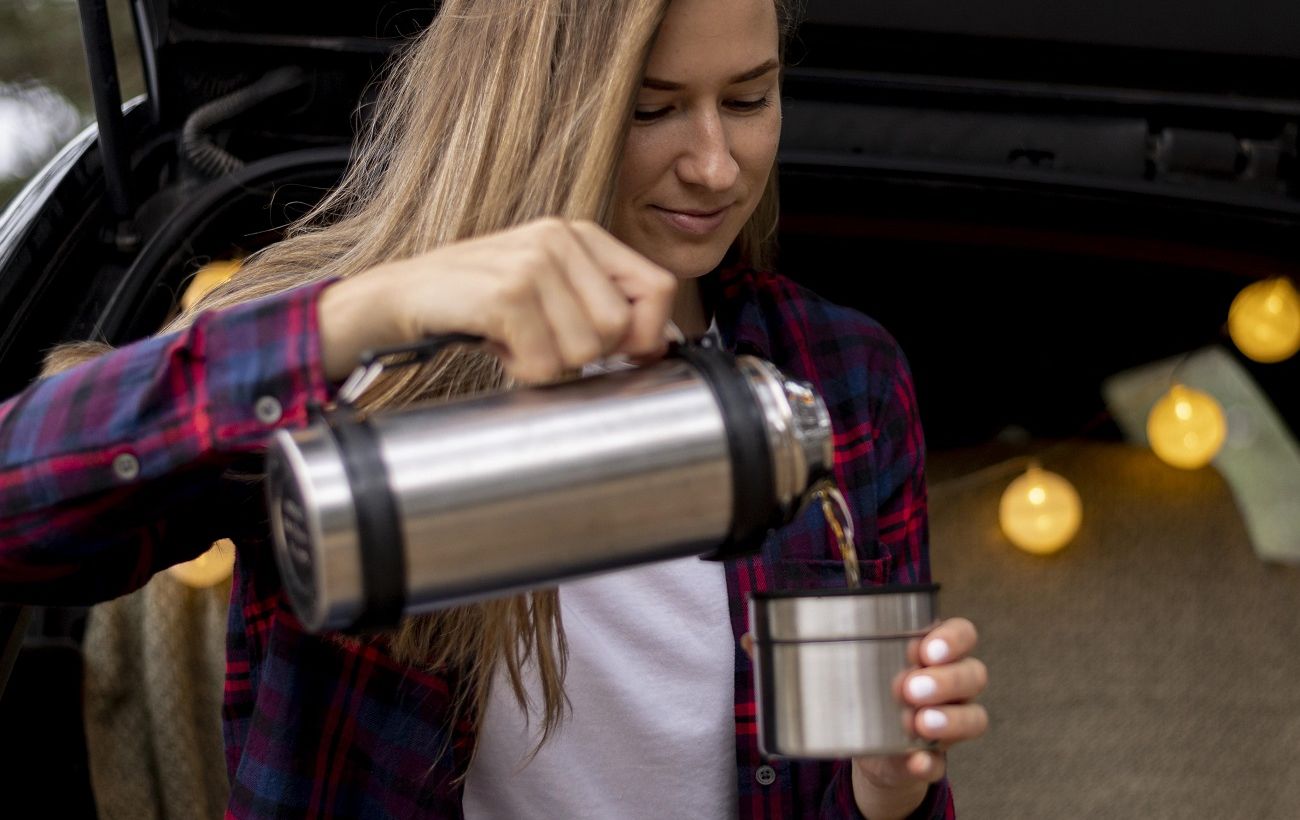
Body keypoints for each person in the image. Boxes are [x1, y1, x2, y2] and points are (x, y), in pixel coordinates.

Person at [0, 0, 988, 816]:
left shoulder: (838, 376)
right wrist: (369, 310)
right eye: (652, 110)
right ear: (539, 109)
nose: (715, 165)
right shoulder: (333, 358)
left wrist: (884, 786)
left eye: (749, 98)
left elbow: (849, 779)